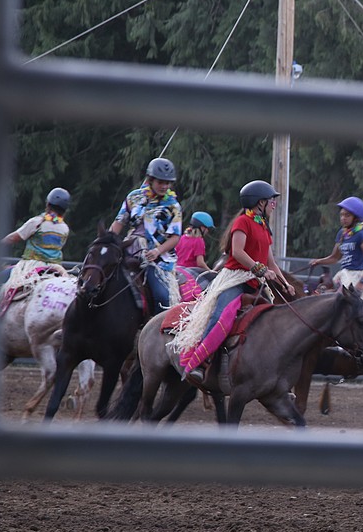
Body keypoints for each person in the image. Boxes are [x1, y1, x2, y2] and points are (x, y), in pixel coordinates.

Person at [169, 180, 291, 385]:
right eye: (271, 201)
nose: (274, 205)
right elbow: (237, 252)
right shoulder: (243, 222)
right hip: (235, 278)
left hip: (255, 281)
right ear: (259, 203)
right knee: (220, 315)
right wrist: (261, 270)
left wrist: (283, 282)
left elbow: (271, 262)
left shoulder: (264, 227)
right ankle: (201, 362)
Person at [109, 157, 182, 315]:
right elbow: (119, 222)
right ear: (150, 179)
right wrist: (109, 242)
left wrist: (157, 251)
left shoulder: (173, 205)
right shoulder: (134, 197)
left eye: (167, 183)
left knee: (163, 296)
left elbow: (175, 237)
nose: (164, 186)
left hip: (155, 258)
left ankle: (154, 329)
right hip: (130, 248)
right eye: (160, 182)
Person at [0, 187, 71, 293]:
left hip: (31, 266)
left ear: (48, 204)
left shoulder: (37, 222)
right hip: (55, 268)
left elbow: (14, 238)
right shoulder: (65, 228)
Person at [309, 196, 363, 297]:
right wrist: (318, 261)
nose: (343, 218)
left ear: (355, 217)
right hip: (344, 274)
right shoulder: (342, 234)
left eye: (347, 215)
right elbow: (335, 258)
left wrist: (362, 281)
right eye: (341, 215)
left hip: (356, 276)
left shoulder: (360, 235)